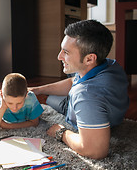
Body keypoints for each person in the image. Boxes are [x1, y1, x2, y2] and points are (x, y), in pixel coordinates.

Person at [30, 20, 129, 159]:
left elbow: (96, 150)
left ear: (89, 59)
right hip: (105, 110)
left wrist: (61, 132)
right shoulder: (110, 64)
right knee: (48, 95)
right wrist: (39, 89)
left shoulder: (86, 95)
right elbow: (73, 80)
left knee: (49, 99)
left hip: (81, 108)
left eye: (66, 52)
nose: (59, 57)